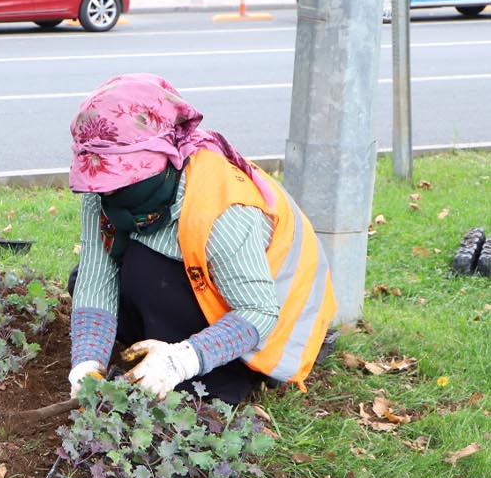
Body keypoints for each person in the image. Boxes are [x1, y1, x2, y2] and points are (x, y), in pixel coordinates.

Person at [65, 73, 336, 405]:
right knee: (82, 278)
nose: (107, 190)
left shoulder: (222, 208)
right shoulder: (102, 193)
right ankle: (163, 351)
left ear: (164, 158)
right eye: (100, 179)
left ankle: (225, 376)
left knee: (145, 270)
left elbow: (260, 311)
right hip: (208, 294)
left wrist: (180, 361)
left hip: (275, 322)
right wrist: (87, 364)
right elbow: (96, 278)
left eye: (118, 177)